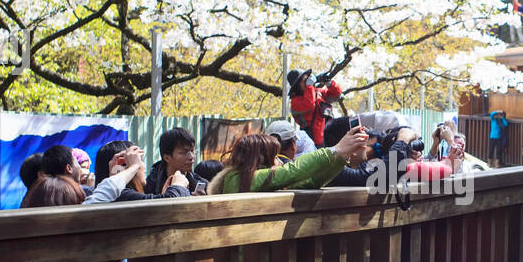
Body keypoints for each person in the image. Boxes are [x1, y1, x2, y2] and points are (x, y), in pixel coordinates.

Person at [206, 126, 368, 194]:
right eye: (273, 156)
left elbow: (309, 183)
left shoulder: (245, 178)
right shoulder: (240, 178)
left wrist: (341, 157)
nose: (277, 159)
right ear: (260, 159)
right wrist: (336, 150)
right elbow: (291, 172)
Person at [86, 141, 191, 203]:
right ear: (122, 165)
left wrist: (162, 196)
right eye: (138, 160)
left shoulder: (120, 195)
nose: (143, 166)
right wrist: (179, 186)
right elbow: (169, 207)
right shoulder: (122, 195)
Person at [288, 68, 343, 146]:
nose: (307, 81)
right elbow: (309, 104)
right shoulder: (295, 102)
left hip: (329, 138)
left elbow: (337, 95)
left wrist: (329, 84)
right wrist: (310, 86)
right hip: (312, 143)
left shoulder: (317, 92)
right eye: (305, 80)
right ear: (297, 85)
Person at [145, 127, 201, 194]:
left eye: (192, 151)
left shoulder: (199, 182)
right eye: (184, 152)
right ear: (167, 158)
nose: (191, 157)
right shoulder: (150, 186)